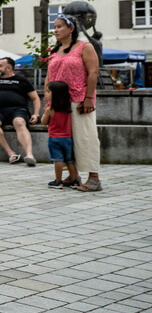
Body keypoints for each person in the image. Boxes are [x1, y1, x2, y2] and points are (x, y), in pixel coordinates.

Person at [46, 14, 101, 191]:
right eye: (54, 27)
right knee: (66, 139)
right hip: (58, 103)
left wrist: (88, 98)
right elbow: (49, 76)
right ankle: (73, 175)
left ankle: (94, 178)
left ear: (71, 29)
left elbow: (93, 72)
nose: (56, 30)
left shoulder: (85, 47)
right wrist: (47, 95)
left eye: (60, 26)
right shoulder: (55, 51)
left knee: (85, 137)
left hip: (79, 99)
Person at [0, 57, 41, 165]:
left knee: (19, 122)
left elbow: (35, 98)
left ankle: (29, 155)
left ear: (9, 67)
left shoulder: (21, 80)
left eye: (0, 66)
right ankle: (11, 153)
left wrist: (36, 114)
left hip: (18, 110)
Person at [42, 80, 79, 189]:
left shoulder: (50, 109)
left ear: (56, 94)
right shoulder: (69, 109)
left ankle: (58, 181)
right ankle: (75, 180)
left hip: (54, 138)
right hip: (68, 138)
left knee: (58, 160)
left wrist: (45, 112)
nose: (46, 94)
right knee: (69, 160)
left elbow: (44, 122)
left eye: (48, 91)